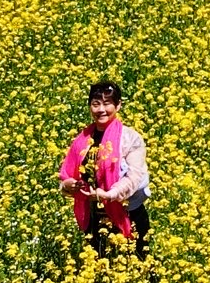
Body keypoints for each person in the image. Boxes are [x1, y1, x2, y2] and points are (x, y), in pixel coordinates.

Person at [58, 80, 149, 258]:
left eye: (107, 103)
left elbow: (134, 176)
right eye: (96, 104)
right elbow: (66, 179)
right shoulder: (82, 139)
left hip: (128, 216)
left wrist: (109, 195)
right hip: (94, 220)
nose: (101, 109)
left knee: (135, 268)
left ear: (118, 105)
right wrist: (70, 185)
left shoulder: (130, 138)